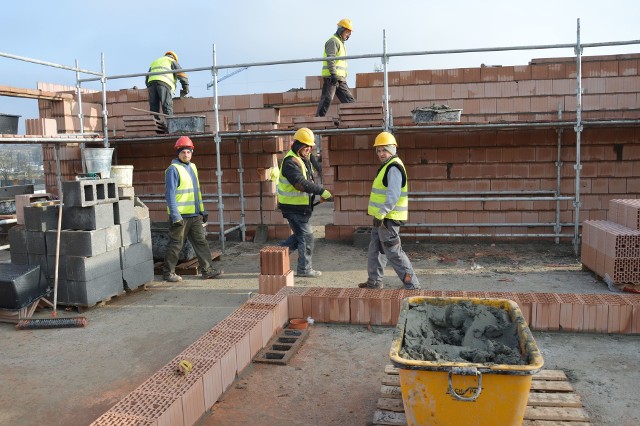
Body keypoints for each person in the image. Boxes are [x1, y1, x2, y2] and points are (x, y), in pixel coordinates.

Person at [358, 132, 421, 290]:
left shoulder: (394, 167)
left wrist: (382, 213)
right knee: (376, 250)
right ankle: (374, 282)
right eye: (378, 150)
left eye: (384, 150)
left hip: (388, 219)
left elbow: (393, 195)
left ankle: (412, 285)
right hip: (381, 219)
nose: (380, 154)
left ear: (392, 149)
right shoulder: (388, 165)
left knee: (394, 252)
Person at [163, 136, 223, 282]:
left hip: (194, 215)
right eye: (183, 152)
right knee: (176, 245)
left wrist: (203, 210)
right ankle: (168, 273)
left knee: (201, 242)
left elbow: (196, 192)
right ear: (178, 153)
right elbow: (170, 194)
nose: (186, 155)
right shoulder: (173, 169)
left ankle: (207, 270)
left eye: (189, 152)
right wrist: (176, 215)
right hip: (180, 217)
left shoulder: (193, 167)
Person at [278, 127, 333, 277]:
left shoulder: (303, 159)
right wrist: (321, 191)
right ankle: (304, 270)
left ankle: (275, 256)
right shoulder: (290, 162)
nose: (308, 149)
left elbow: (308, 179)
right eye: (305, 146)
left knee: (299, 237)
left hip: (300, 207)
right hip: (293, 208)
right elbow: (300, 183)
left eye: (310, 146)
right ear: (297, 145)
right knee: (307, 237)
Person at [315, 18, 356, 117]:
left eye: (350, 33)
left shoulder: (341, 43)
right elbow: (331, 58)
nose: (349, 35)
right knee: (327, 99)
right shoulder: (333, 41)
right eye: (347, 32)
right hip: (331, 77)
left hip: (340, 79)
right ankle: (318, 121)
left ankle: (354, 120)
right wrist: (333, 74)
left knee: (350, 101)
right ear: (341, 30)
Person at [146, 51, 189, 118]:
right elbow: (181, 74)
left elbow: (147, 76)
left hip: (151, 84)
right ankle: (170, 124)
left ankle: (155, 125)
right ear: (174, 58)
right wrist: (185, 87)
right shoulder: (171, 60)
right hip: (163, 83)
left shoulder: (155, 61)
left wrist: (149, 86)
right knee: (167, 105)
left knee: (154, 107)